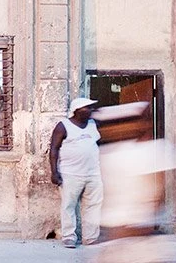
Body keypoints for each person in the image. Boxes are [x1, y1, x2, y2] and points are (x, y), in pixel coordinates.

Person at [96, 103, 176, 262]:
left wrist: (138, 226)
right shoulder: (109, 154)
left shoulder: (154, 151)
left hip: (137, 233)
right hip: (119, 234)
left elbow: (158, 195)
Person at [49, 96, 103, 249]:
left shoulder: (93, 125)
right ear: (76, 111)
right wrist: (54, 172)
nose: (90, 110)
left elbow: (97, 144)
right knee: (68, 206)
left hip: (93, 174)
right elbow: (54, 149)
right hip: (70, 174)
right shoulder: (63, 126)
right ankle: (69, 237)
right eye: (87, 108)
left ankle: (90, 238)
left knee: (93, 206)